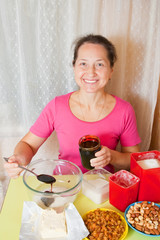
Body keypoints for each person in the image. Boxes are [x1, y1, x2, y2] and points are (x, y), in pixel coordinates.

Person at [4, 34, 141, 178]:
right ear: (74, 67)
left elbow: (134, 160)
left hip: (103, 188)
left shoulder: (124, 110)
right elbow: (28, 144)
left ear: (111, 70)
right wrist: (19, 159)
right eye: (83, 64)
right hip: (63, 185)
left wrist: (111, 157)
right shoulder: (57, 106)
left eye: (99, 64)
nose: (91, 72)